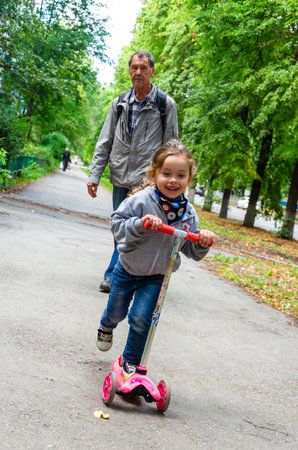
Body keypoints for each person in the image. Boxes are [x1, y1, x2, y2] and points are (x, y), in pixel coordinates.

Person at [95, 140, 214, 379]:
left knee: (141, 319)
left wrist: (201, 242)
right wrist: (141, 223)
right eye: (167, 173)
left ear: (189, 180)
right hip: (127, 269)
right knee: (117, 313)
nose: (173, 180)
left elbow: (190, 249)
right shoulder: (140, 200)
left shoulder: (188, 214)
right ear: (154, 174)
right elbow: (117, 225)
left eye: (181, 175)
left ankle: (130, 363)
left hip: (157, 276)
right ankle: (106, 325)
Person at [87, 50, 178, 293]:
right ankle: (124, 274)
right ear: (130, 70)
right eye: (134, 67)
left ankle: (115, 275)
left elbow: (171, 147)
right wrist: (95, 175)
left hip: (146, 183)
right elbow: (105, 141)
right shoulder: (119, 103)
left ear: (152, 71)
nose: (138, 72)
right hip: (120, 177)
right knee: (121, 226)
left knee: (139, 228)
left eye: (143, 68)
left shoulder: (165, 105)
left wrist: (168, 181)